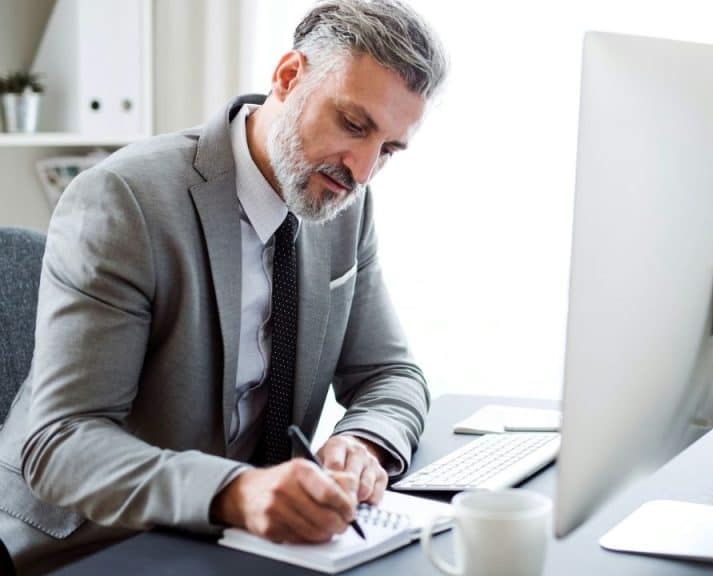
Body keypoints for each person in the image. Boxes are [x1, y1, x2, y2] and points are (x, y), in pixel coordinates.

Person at [0, 1, 446, 573]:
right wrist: (235, 492)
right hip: (93, 542)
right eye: (353, 125)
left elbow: (390, 374)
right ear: (288, 78)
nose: (361, 171)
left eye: (387, 150)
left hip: (237, 545)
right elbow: (60, 443)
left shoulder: (344, 206)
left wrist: (364, 443)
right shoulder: (124, 199)